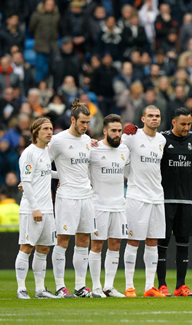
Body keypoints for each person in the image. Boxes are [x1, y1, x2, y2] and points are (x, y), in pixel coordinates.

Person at [49, 99, 98, 298]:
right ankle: (60, 286)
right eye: (82, 122)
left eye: (88, 123)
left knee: (84, 239)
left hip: (86, 196)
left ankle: (80, 286)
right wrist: (61, 176)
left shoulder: (87, 141)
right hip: (67, 196)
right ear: (72, 119)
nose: (85, 126)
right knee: (62, 240)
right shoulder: (58, 140)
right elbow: (44, 165)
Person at [121, 106, 167, 298]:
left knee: (153, 241)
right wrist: (123, 134)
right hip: (137, 196)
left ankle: (149, 287)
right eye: (150, 116)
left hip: (157, 196)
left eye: (157, 116)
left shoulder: (161, 140)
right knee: (133, 241)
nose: (154, 119)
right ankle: (130, 286)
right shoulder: (132, 136)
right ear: (143, 118)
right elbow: (120, 158)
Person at [157, 107, 192, 297]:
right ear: (173, 122)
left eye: (189, 124)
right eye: (183, 124)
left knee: (183, 243)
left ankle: (180, 286)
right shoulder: (162, 139)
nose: (186, 127)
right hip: (165, 199)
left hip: (186, 200)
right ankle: (162, 285)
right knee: (163, 242)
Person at [15, 117, 58, 299]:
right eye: (46, 129)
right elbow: (26, 181)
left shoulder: (46, 151)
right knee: (26, 247)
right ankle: (21, 288)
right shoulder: (29, 153)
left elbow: (46, 173)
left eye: (51, 128)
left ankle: (40, 289)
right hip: (32, 209)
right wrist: (34, 208)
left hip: (48, 208)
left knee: (44, 248)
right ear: (36, 132)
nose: (50, 132)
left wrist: (68, 175)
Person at [88, 114, 130, 298]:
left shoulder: (125, 150)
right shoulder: (93, 149)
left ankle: (109, 286)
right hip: (99, 205)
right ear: (105, 131)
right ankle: (96, 286)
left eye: (119, 131)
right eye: (113, 130)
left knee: (115, 244)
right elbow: (77, 170)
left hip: (119, 206)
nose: (117, 134)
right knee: (97, 245)